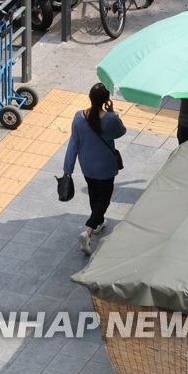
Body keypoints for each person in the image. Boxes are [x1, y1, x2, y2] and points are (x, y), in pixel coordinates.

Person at [63, 83, 126, 256]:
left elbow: (73, 145)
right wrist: (112, 112)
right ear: (106, 100)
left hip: (87, 165)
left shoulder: (78, 117)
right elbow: (121, 132)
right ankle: (88, 230)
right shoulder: (110, 119)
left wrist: (67, 169)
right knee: (104, 199)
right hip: (105, 166)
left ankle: (98, 222)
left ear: (90, 98)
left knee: (94, 192)